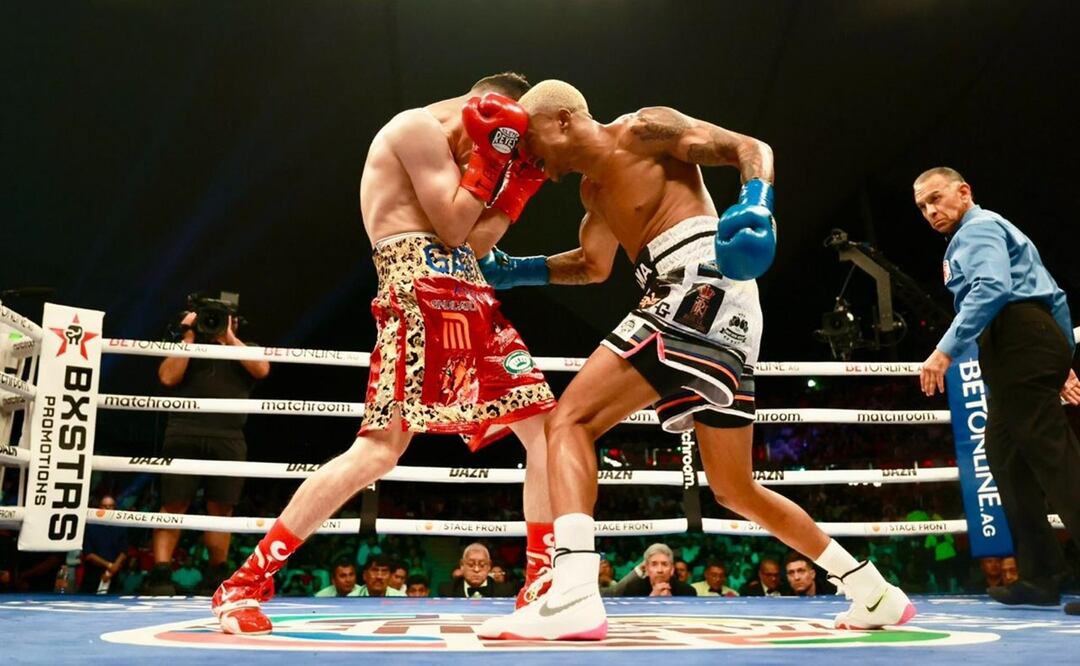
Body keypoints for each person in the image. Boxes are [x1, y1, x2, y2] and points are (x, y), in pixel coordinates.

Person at [477, 79, 914, 641]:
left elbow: (750, 148)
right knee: (734, 489)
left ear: (562, 119)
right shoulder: (592, 195)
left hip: (699, 281)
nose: (530, 157)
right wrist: (521, 269)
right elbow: (591, 265)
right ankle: (872, 591)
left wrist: (757, 201)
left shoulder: (642, 130)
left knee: (569, 421)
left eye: (531, 139)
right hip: (700, 298)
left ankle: (574, 592)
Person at [211, 73, 557, 634]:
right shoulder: (414, 127)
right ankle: (244, 584)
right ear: (486, 110)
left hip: (470, 293)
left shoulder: (465, 152)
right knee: (379, 452)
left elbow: (472, 242)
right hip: (419, 293)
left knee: (546, 426)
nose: (504, 154)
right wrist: (493, 167)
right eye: (508, 141)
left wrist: (514, 190)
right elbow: (448, 223)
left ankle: (541, 579)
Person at [913, 167, 1080, 614]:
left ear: (964, 191)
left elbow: (992, 287)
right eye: (923, 206)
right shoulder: (991, 230)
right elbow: (1057, 295)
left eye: (937, 198)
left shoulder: (977, 229)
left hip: (1018, 338)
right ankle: (1042, 574)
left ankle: (1045, 572)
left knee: (1054, 458)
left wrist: (945, 350)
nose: (931, 211)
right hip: (1027, 340)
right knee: (1004, 457)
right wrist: (1063, 360)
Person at [148, 305, 270, 595]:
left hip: (227, 436)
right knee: (174, 504)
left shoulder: (245, 350)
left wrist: (227, 337)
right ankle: (162, 572)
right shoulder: (188, 348)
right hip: (184, 430)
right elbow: (167, 377)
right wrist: (189, 337)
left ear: (235, 323)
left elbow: (262, 369)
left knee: (221, 508)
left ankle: (216, 573)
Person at [78, 495, 127, 594]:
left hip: (114, 576)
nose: (108, 508)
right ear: (100, 507)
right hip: (93, 575)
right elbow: (89, 554)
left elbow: (124, 551)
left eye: (111, 506)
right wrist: (109, 565)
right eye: (105, 506)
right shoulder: (91, 527)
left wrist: (113, 569)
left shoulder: (121, 527)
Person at [611, 543, 696, 597]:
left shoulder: (687, 591)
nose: (660, 570)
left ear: (672, 569)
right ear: (647, 569)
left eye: (664, 564)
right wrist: (651, 600)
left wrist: (672, 603)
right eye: (654, 564)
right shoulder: (632, 589)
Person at [441, 543, 515, 598]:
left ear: (489, 566)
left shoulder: (504, 592)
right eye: (471, 565)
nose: (476, 569)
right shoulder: (447, 590)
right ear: (462, 565)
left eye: (482, 565)